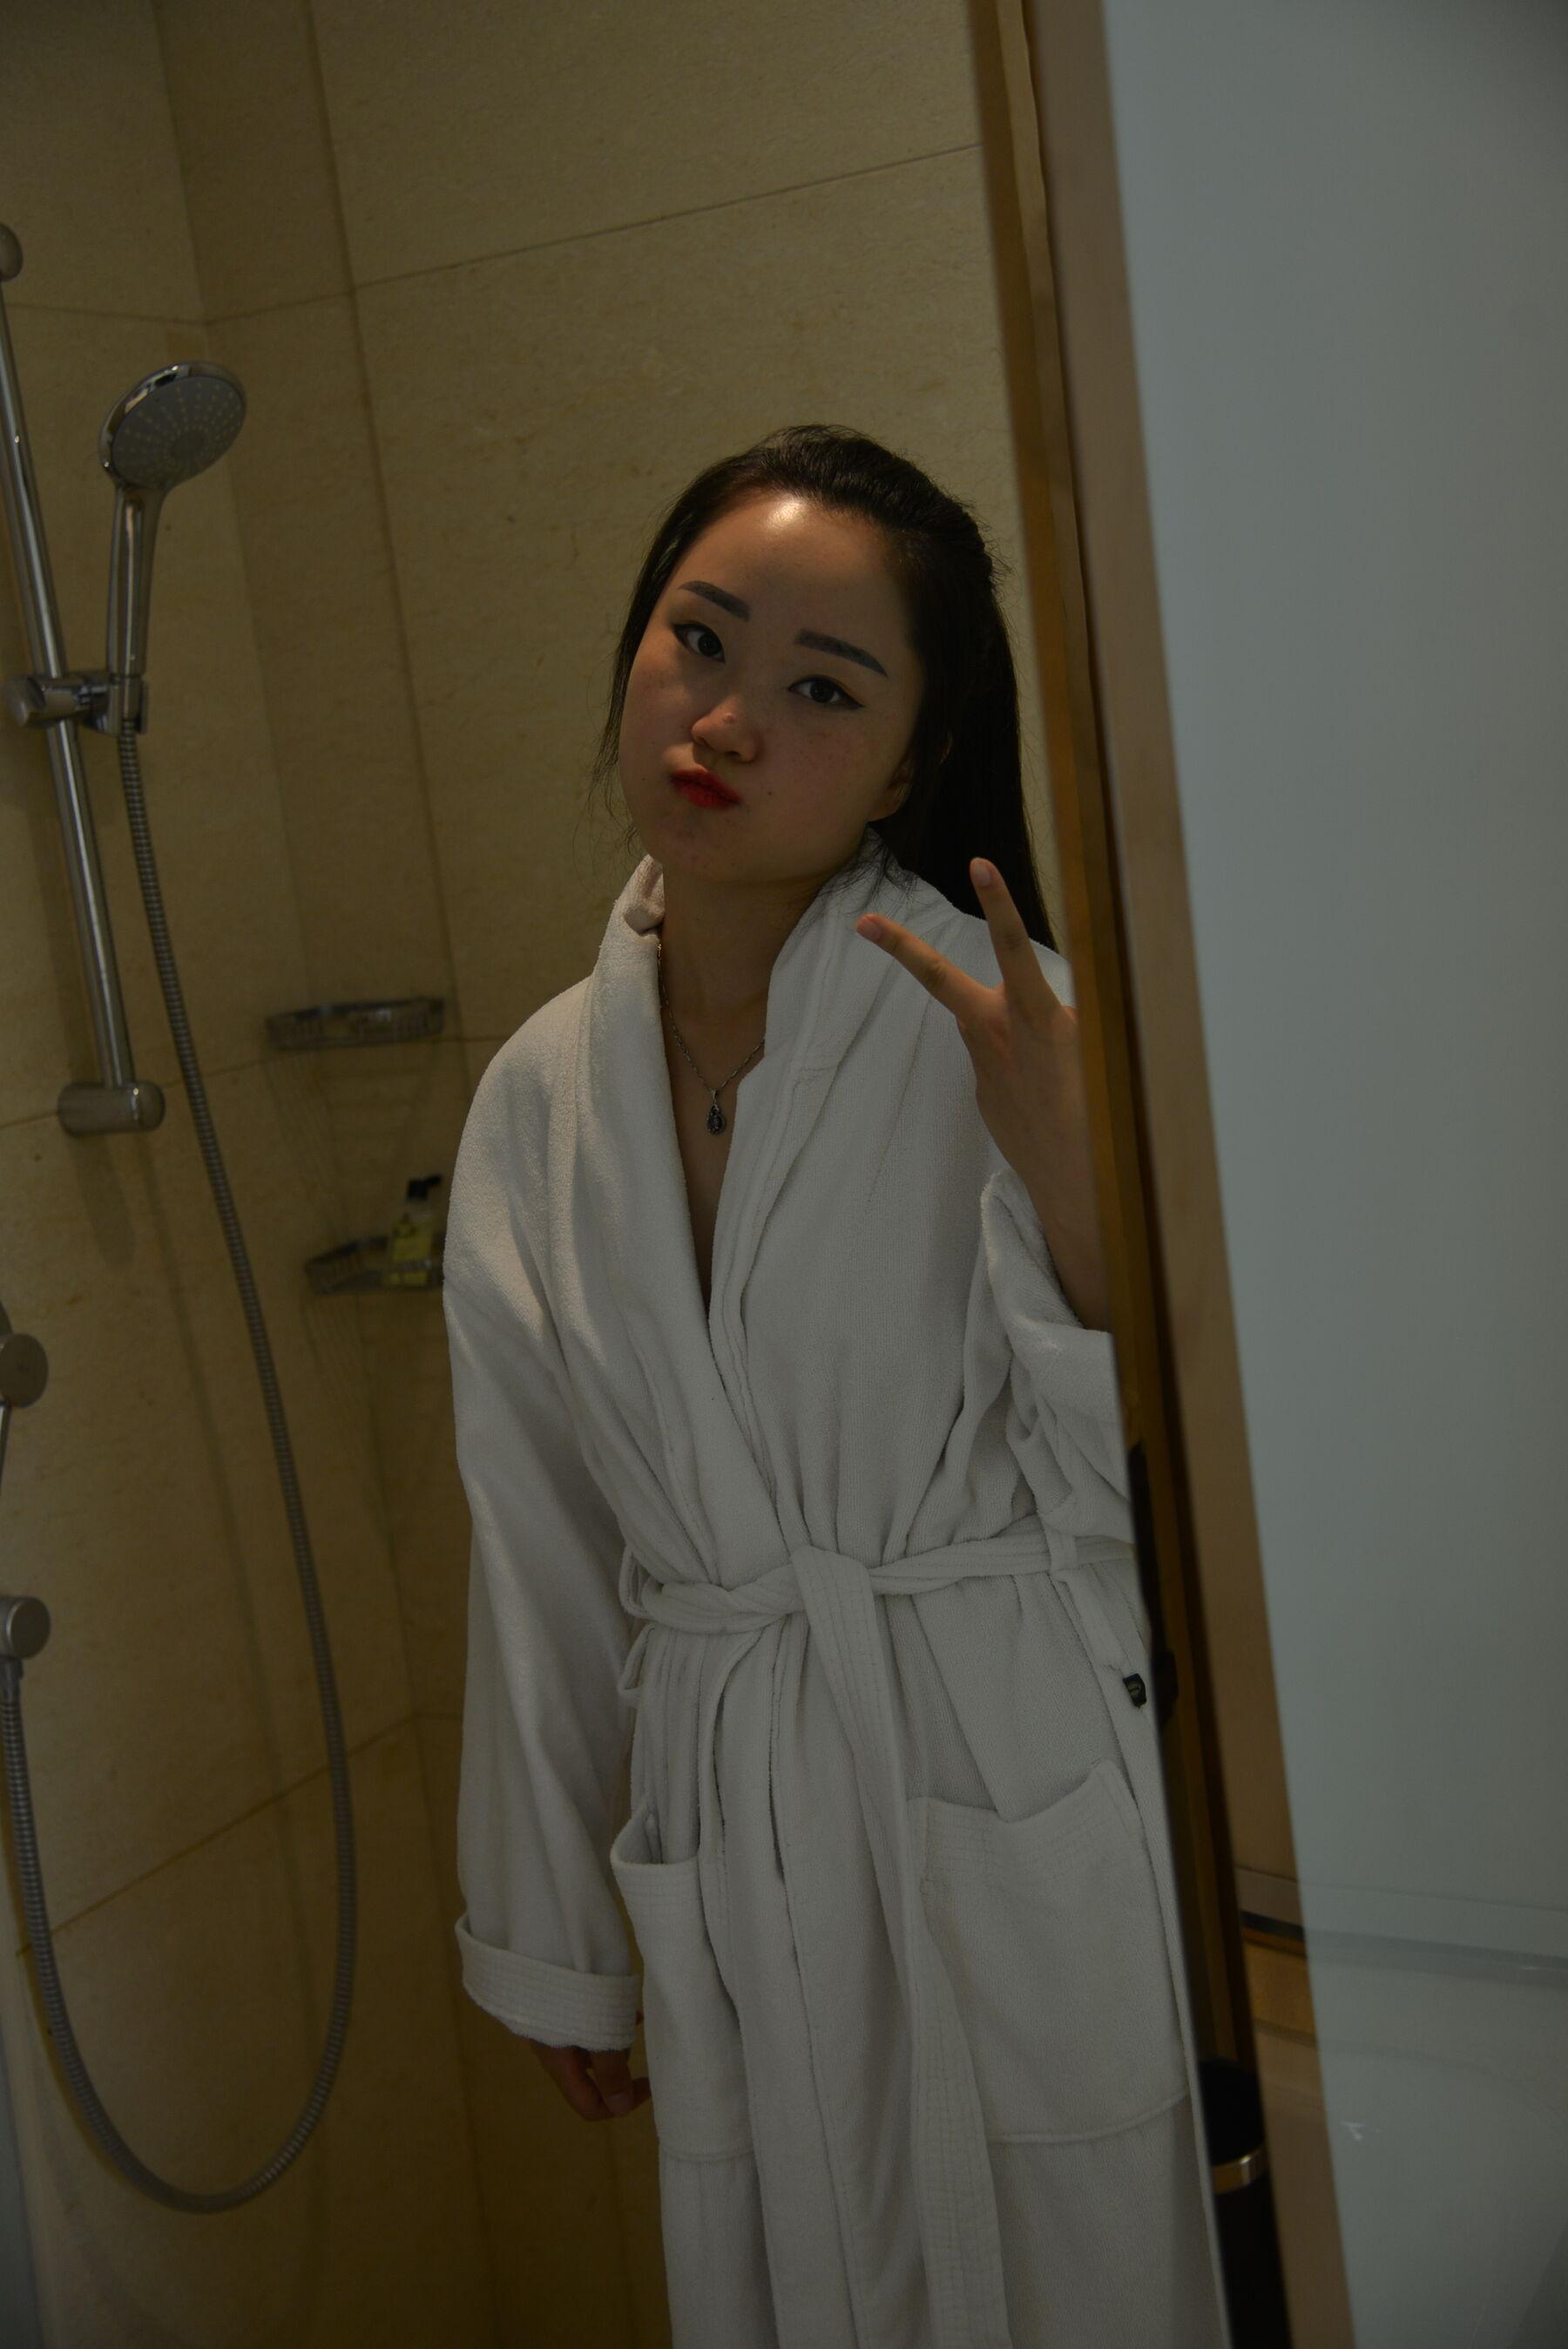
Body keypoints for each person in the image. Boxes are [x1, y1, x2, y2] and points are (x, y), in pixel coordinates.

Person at [443, 425, 1229, 2347]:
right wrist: (556, 1935)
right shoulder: (543, 1090)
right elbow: (539, 1541)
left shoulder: (1011, 1023)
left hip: (1002, 1763)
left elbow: (1180, 1519)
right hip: (743, 1812)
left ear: (909, 757)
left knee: (1078, 2272)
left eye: (821, 688)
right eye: (699, 639)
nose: (726, 717)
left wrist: (1083, 1192)